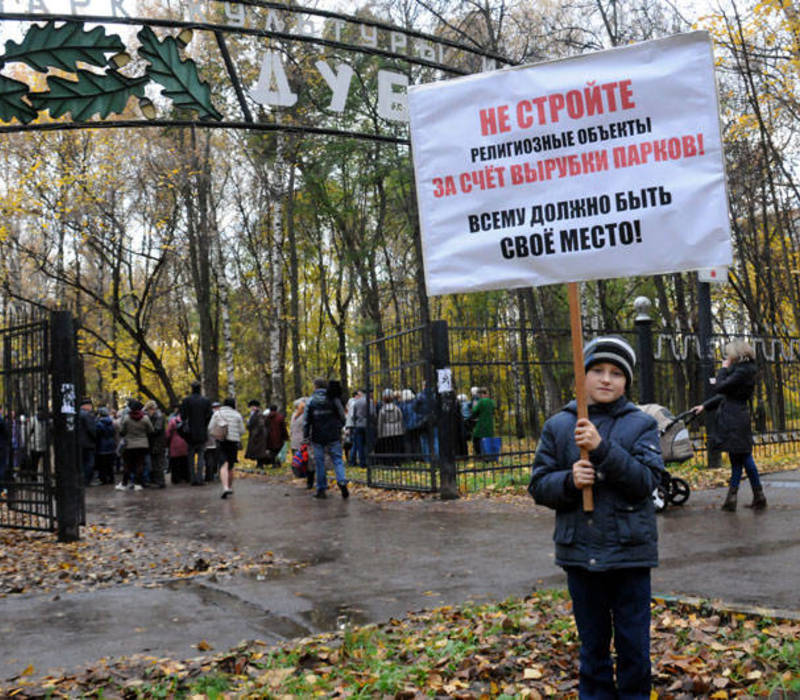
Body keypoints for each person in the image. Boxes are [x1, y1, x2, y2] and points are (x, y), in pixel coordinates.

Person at [528, 336, 663, 699]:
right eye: (597, 370)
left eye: (616, 373)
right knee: (593, 650)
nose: (606, 379)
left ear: (626, 382)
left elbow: (645, 482)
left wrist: (602, 449)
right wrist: (569, 482)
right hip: (581, 554)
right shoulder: (559, 426)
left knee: (634, 648)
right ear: (582, 376)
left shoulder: (641, 425)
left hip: (629, 554)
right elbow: (539, 485)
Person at [693, 339, 766, 511]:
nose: (727, 356)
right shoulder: (742, 371)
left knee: (744, 457)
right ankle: (740, 498)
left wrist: (723, 369)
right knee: (738, 459)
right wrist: (705, 406)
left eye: (729, 353)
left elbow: (719, 387)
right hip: (735, 417)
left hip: (735, 419)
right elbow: (726, 395)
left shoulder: (742, 372)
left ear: (736, 354)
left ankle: (750, 497)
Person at [304, 377, 349, 499]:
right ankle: (342, 481)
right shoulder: (333, 399)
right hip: (333, 434)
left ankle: (321, 489)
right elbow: (342, 417)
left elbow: (306, 421)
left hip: (317, 436)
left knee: (319, 463)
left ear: (315, 386)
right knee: (338, 460)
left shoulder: (311, 401)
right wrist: (339, 427)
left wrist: (306, 436)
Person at [209, 397, 245, 499]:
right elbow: (242, 431)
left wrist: (216, 435)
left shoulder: (217, 414)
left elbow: (210, 428)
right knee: (231, 465)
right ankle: (230, 486)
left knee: (223, 465)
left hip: (221, 441)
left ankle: (225, 487)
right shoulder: (237, 415)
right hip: (233, 442)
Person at [116, 399, 154, 491]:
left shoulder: (126, 418)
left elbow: (122, 431)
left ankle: (124, 484)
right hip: (142, 445)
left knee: (127, 465)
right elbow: (151, 430)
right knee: (140, 464)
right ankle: (138, 484)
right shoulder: (145, 418)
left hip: (129, 445)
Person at [180, 380, 212, 486]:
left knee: (190, 456)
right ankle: (199, 478)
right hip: (202, 432)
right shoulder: (206, 401)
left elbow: (183, 417)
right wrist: (204, 425)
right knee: (201, 456)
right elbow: (209, 416)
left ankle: (192, 478)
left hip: (190, 434)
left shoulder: (186, 400)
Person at [289, 397, 315, 488]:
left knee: (298, 459)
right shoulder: (305, 416)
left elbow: (291, 428)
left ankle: (299, 476)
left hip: (295, 440)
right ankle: (306, 477)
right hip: (303, 441)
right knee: (306, 460)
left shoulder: (294, 415)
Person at [376, 390, 404, 462]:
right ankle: (397, 461)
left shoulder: (382, 410)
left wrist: (379, 433)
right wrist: (402, 429)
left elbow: (380, 422)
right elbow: (401, 419)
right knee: (396, 447)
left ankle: (389, 461)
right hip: (397, 430)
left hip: (386, 431)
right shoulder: (397, 408)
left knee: (388, 448)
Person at [144, 401, 167, 488]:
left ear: (151, 409)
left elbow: (156, 430)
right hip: (155, 443)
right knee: (155, 463)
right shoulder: (157, 416)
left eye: (147, 410)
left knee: (158, 463)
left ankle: (161, 482)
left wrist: (148, 430)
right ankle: (158, 481)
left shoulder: (158, 416)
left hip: (158, 443)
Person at [166, 408, 190, 484]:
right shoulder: (187, 421)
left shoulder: (173, 421)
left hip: (174, 443)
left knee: (175, 462)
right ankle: (186, 477)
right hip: (185, 442)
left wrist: (167, 442)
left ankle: (176, 479)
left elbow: (167, 433)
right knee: (185, 461)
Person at [471, 387, 496, 457]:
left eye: (479, 394)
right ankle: (489, 454)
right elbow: (493, 410)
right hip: (490, 424)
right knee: (488, 439)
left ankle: (479, 455)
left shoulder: (481, 402)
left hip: (481, 424)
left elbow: (474, 411)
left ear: (482, 394)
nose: (479, 396)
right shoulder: (491, 402)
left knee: (476, 438)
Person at [95, 407, 117, 485]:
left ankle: (103, 479)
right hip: (111, 445)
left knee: (102, 464)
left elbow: (97, 435)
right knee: (110, 464)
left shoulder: (98, 424)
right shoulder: (112, 423)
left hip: (102, 445)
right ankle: (111, 478)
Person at [244, 399, 269, 469]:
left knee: (259, 451)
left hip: (259, 435)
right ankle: (259, 464)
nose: (252, 408)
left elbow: (260, 425)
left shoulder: (259, 414)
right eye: (251, 406)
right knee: (257, 451)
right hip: (255, 434)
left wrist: (255, 434)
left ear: (257, 407)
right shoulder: (253, 414)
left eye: (254, 406)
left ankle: (260, 464)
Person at [78, 397, 97, 485]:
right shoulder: (87, 415)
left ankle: (81, 479)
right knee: (89, 462)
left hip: (79, 442)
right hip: (88, 443)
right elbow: (92, 429)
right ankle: (86, 481)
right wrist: (95, 438)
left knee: (81, 462)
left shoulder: (77, 414)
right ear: (87, 406)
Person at [204, 402, 221, 482]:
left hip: (209, 440)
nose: (216, 409)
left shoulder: (206, 415)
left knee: (210, 459)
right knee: (213, 459)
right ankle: (212, 474)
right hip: (213, 440)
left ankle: (210, 475)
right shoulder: (218, 416)